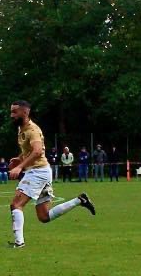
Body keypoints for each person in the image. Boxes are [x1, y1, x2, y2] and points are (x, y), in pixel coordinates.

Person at [7, 100, 95, 248]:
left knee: (16, 205)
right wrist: (19, 159)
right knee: (44, 216)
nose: (11, 115)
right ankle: (80, 200)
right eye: (11, 111)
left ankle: (19, 243)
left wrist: (19, 167)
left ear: (25, 112)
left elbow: (37, 151)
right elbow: (30, 151)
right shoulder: (21, 128)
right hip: (41, 171)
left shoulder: (32, 130)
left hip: (37, 172)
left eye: (15, 112)